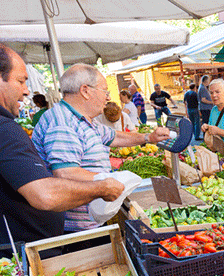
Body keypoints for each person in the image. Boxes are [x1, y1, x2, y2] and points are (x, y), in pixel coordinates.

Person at [0, 39, 124, 251]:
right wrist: (102, 187)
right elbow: (45, 195)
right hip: (21, 260)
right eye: (21, 81)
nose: (27, 91)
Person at [33, 63, 170, 233]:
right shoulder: (63, 123)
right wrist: (109, 182)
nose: (108, 97)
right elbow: (66, 173)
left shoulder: (84, 119)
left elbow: (115, 136)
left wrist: (148, 137)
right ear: (85, 90)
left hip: (89, 220)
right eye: (105, 91)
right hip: (76, 230)